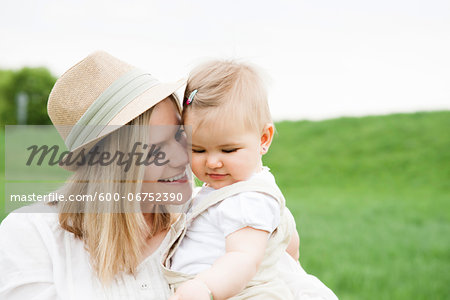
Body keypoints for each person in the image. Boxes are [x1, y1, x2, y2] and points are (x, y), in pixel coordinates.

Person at [0, 51, 193, 299]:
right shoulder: (33, 235)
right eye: (157, 148)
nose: (184, 157)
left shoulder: (209, 215)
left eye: (179, 134)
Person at [162, 60, 338, 300]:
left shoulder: (248, 199)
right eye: (198, 150)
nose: (212, 162)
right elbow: (289, 242)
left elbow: (243, 257)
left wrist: (204, 288)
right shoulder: (244, 190)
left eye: (228, 150)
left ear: (264, 139)